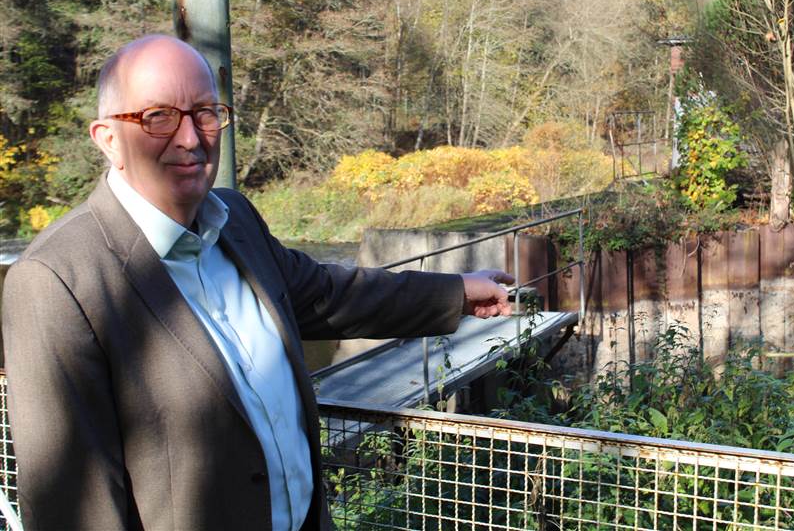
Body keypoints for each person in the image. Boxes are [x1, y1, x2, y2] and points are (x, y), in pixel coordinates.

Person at [2, 34, 513, 531]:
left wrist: (458, 292)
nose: (190, 138)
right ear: (108, 138)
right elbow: (75, 505)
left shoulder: (236, 220)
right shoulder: (57, 281)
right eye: (158, 118)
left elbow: (326, 295)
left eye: (206, 113)